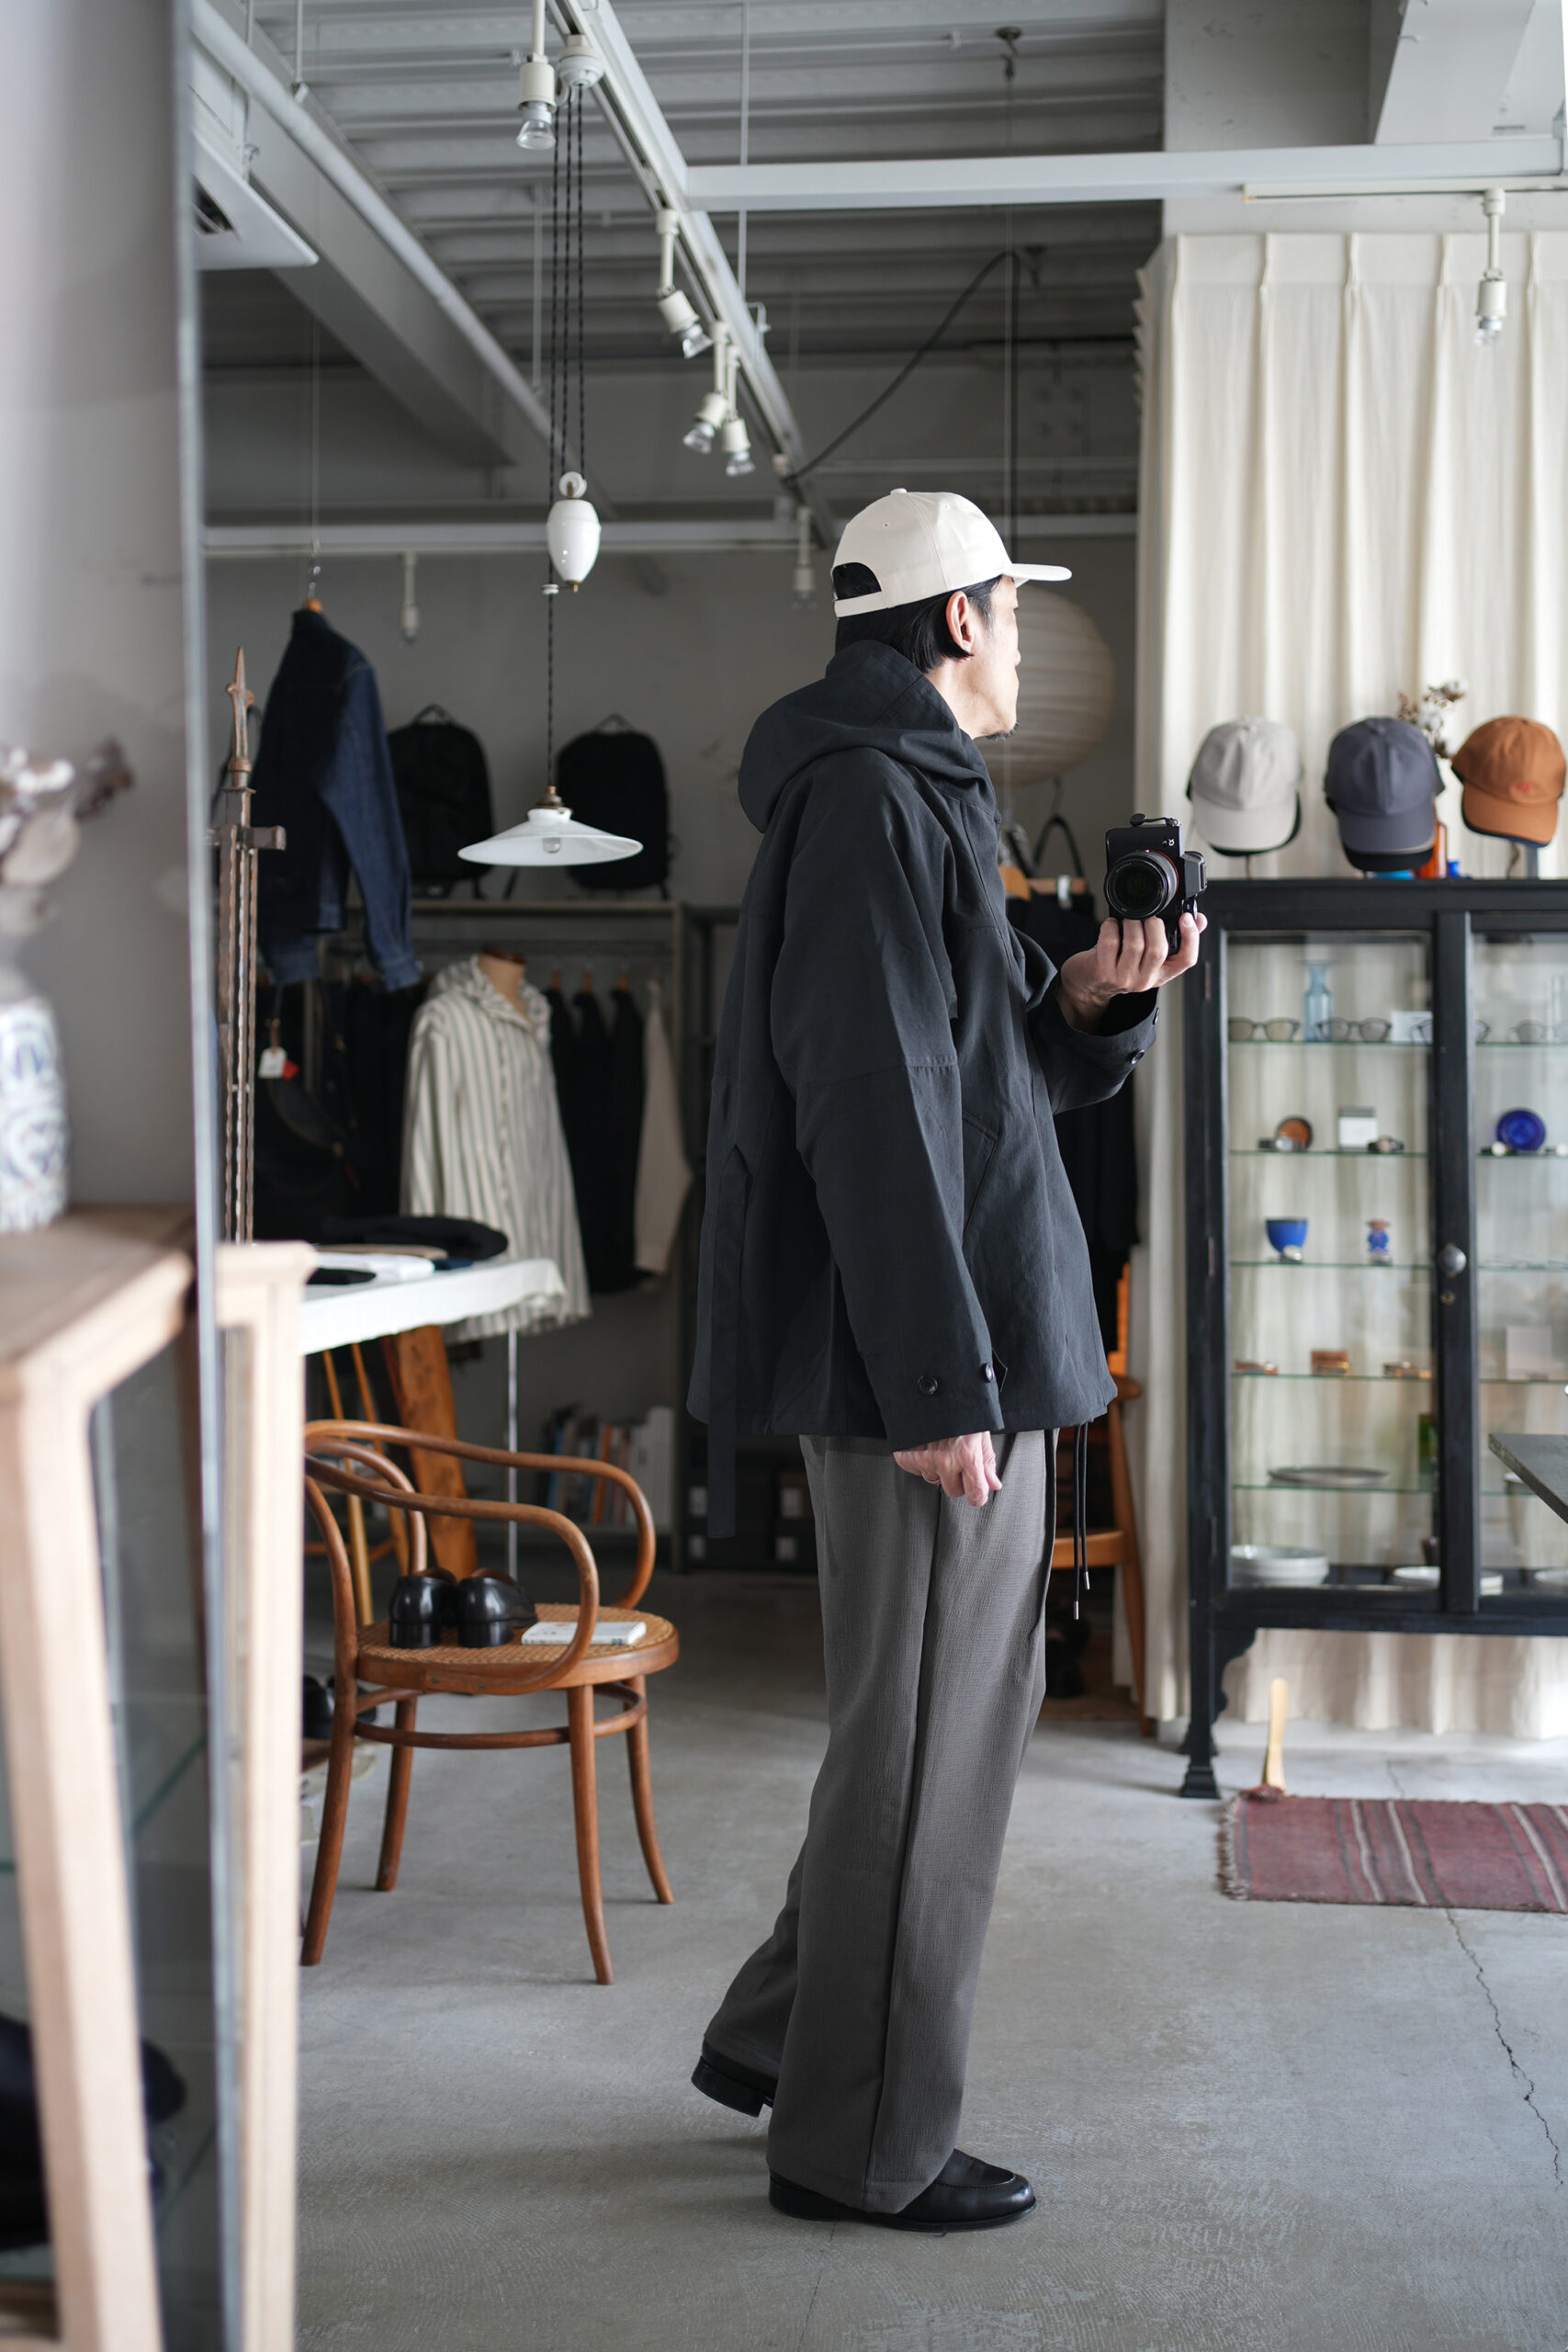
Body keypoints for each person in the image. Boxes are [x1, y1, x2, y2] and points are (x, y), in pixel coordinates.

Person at [686, 489, 1202, 2233]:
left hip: (963, 1334)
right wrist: (935, 1384)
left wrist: (1097, 999)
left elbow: (974, 1072)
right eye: (1016, 609)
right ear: (962, 620)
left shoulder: (911, 793)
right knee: (927, 1761)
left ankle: (783, 2040)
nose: (1026, 638)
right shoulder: (867, 802)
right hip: (933, 1357)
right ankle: (864, 2146)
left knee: (914, 1738)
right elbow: (866, 1099)